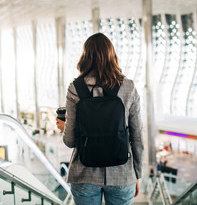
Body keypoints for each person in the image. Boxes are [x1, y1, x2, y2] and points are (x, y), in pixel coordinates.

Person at [56, 33, 144, 205]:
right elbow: (137, 137)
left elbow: (70, 141)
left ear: (85, 57)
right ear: (112, 56)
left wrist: (64, 127)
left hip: (84, 174)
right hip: (122, 174)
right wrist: (137, 174)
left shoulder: (75, 88)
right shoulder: (128, 87)